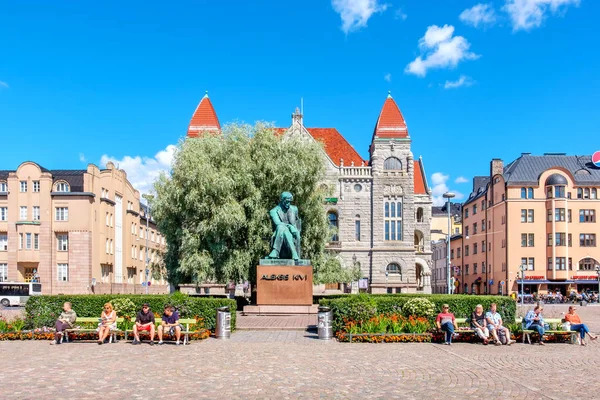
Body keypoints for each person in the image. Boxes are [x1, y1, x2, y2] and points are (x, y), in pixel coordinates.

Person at [267, 192, 301, 261]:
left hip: (293, 233)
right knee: (281, 227)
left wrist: (297, 230)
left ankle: (275, 251)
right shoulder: (273, 211)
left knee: (283, 229)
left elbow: (298, 222)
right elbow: (278, 223)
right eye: (287, 201)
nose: (288, 203)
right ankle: (293, 253)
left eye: (290, 202)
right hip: (279, 233)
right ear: (282, 200)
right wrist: (290, 227)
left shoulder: (294, 209)